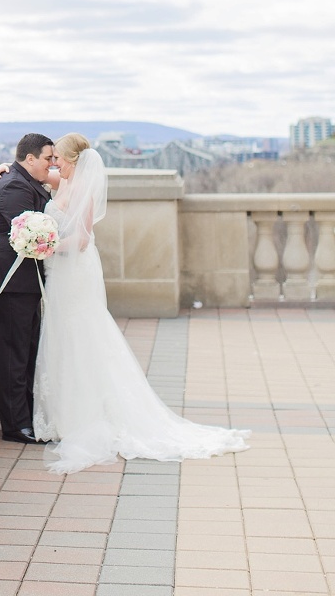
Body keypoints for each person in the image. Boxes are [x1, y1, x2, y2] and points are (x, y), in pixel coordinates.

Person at [29, 133, 250, 472]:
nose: (54, 162)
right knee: (63, 335)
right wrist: (2, 168)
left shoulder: (82, 188)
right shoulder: (63, 180)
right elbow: (38, 175)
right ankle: (64, 414)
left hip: (75, 270)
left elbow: (84, 239)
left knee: (81, 333)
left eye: (58, 157)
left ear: (73, 160)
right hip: (60, 273)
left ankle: (86, 416)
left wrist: (47, 246)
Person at [0, 132, 55, 444]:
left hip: (25, 284)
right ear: (30, 158)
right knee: (13, 353)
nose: (52, 164)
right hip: (9, 283)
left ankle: (26, 418)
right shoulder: (13, 187)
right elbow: (32, 233)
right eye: (48, 158)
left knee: (26, 351)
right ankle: (15, 425)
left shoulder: (26, 183)